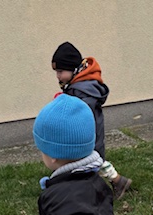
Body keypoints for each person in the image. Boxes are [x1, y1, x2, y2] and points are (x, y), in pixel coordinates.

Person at [51, 41, 132, 200]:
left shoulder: (83, 91)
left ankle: (111, 184)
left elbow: (81, 112)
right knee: (93, 162)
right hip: (88, 133)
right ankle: (117, 181)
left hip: (89, 134)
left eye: (60, 71)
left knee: (91, 163)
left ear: (74, 69)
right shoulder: (78, 86)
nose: (58, 76)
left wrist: (65, 106)